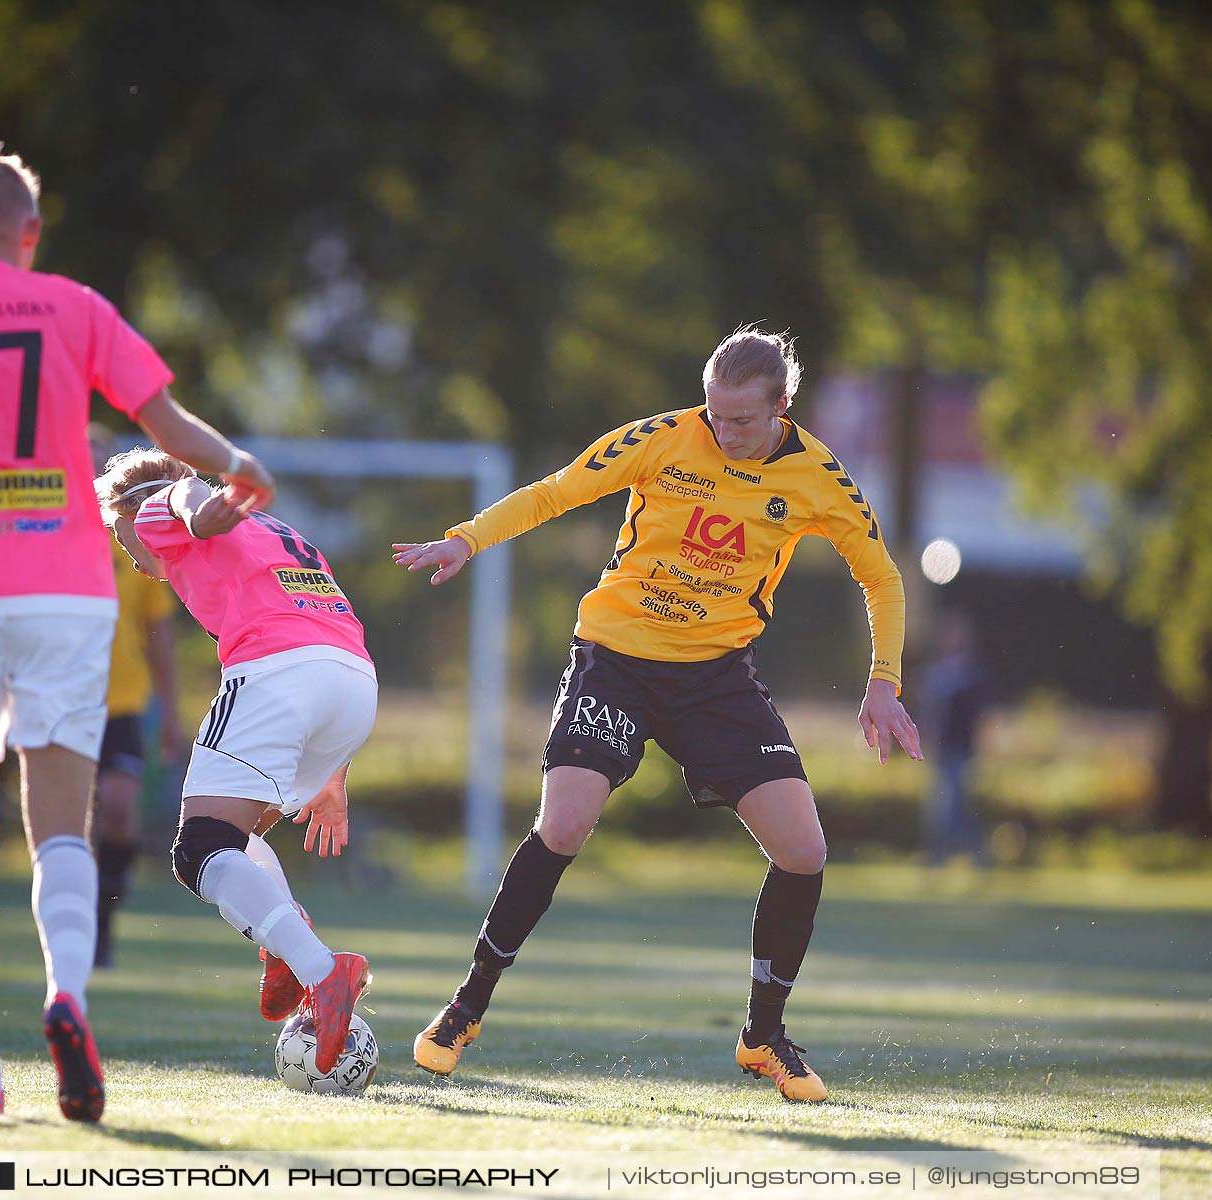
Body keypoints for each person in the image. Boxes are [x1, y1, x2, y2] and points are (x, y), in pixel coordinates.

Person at [0, 143, 276, 1120]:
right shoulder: (74, 306)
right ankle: (67, 997)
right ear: (30, 233)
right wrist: (237, 460)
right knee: (59, 829)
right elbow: (163, 422)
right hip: (66, 595)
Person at [393, 326, 922, 1103]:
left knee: (804, 850)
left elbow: (881, 577)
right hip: (617, 658)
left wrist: (884, 678)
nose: (722, 430)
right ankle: (465, 1008)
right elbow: (557, 490)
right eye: (713, 413)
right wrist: (466, 540)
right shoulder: (665, 438)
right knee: (564, 825)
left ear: (782, 406)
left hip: (716, 679)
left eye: (740, 420)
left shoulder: (820, 478)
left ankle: (762, 1037)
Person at [95, 448, 373, 1077]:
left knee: (199, 849)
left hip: (276, 674)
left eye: (121, 535)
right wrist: (335, 773)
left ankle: (323, 972)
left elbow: (188, 501)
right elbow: (323, 623)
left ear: (132, 514)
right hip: (353, 680)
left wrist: (202, 506)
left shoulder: (162, 506)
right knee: (235, 841)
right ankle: (283, 944)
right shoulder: (278, 531)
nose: (131, 555)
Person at [86, 424, 186, 967]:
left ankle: (102, 922)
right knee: (64, 823)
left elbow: (160, 635)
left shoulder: (136, 536)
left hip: (121, 700)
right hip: (56, 701)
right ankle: (68, 927)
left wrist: (172, 714)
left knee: (119, 813)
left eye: (97, 460)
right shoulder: (43, 533)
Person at [921, 610, 987, 863]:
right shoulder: (936, 673)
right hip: (941, 750)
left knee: (952, 807)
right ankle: (955, 856)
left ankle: (954, 855)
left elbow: (978, 716)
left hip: (961, 750)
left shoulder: (971, 674)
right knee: (941, 808)